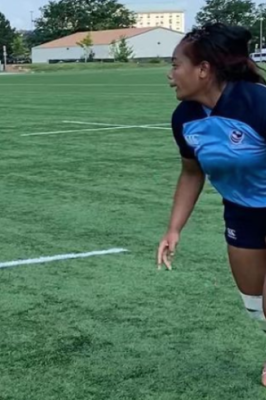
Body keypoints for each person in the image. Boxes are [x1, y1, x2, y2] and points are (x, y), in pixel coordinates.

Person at [158, 22, 266, 384]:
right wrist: (174, 228)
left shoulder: (257, 103)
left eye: (175, 65)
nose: (170, 75)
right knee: (254, 302)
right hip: (242, 211)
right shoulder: (184, 119)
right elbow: (191, 173)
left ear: (203, 70)